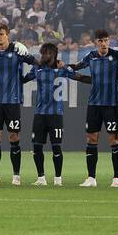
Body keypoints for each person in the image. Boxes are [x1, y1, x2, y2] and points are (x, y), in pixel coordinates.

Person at [22, 43, 88, 186]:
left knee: (56, 147)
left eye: (47, 53)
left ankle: (58, 179)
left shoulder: (63, 69)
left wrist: (99, 82)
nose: (44, 56)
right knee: (37, 147)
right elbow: (23, 79)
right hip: (39, 114)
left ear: (54, 55)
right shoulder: (37, 68)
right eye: (42, 53)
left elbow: (80, 77)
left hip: (56, 115)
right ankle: (41, 178)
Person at [69, 29, 118, 187]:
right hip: (94, 104)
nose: (103, 44)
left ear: (109, 41)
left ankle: (116, 178)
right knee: (91, 139)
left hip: (111, 104)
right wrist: (65, 67)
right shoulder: (91, 56)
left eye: (106, 40)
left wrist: (117, 84)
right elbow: (77, 67)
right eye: (100, 41)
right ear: (96, 42)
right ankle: (91, 178)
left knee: (114, 139)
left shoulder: (117, 56)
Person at [0, 23, 35, 186]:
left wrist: (25, 78)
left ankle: (16, 176)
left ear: (8, 35)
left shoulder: (17, 51)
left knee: (13, 137)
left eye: (1, 34)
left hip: (12, 102)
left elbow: (36, 63)